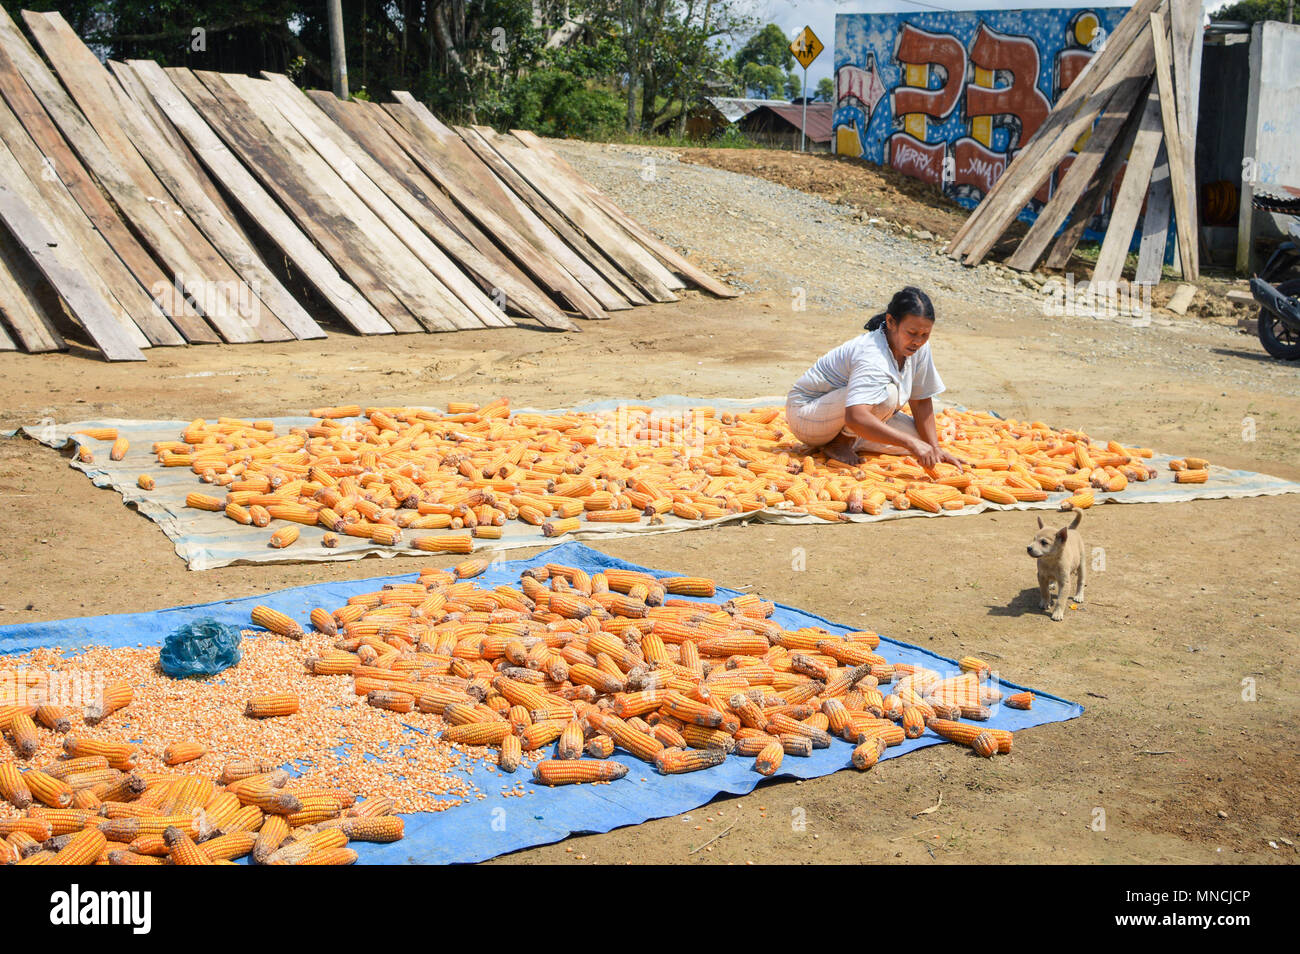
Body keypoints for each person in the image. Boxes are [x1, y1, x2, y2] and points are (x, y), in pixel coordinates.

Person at [784, 286, 963, 469]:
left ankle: (854, 437)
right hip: (807, 414)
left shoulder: (919, 348)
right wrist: (909, 443)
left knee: (921, 441)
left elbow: (921, 400)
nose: (918, 341)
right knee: (889, 396)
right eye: (912, 333)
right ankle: (841, 442)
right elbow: (855, 416)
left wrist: (934, 447)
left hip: (844, 415)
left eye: (925, 334)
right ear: (891, 322)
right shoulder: (872, 354)